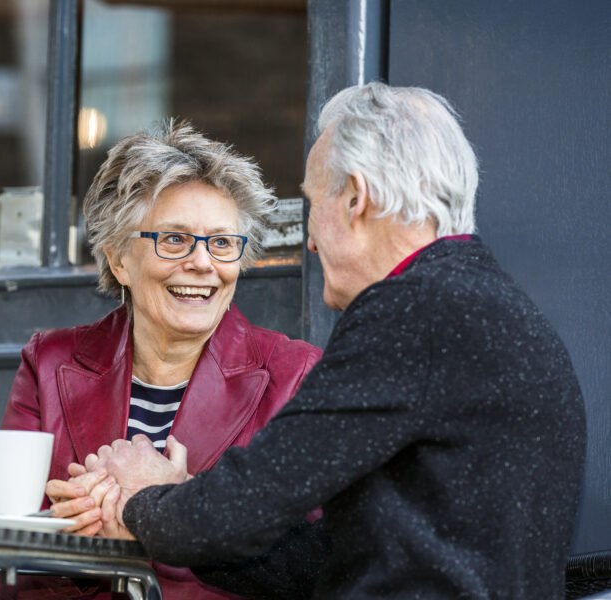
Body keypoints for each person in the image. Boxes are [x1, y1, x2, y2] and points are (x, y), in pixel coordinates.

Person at [80, 83, 587, 599]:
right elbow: (335, 557)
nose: (311, 239)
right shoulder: (486, 306)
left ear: (354, 199)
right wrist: (176, 505)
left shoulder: (413, 312)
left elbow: (240, 507)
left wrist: (143, 498)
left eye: (312, 202)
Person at [0, 119, 324, 600]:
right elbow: (1, 568)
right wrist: (81, 552)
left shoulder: (295, 376)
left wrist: (169, 518)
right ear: (119, 259)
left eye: (222, 242)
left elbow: (317, 569)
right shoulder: (49, 363)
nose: (204, 263)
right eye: (174, 239)